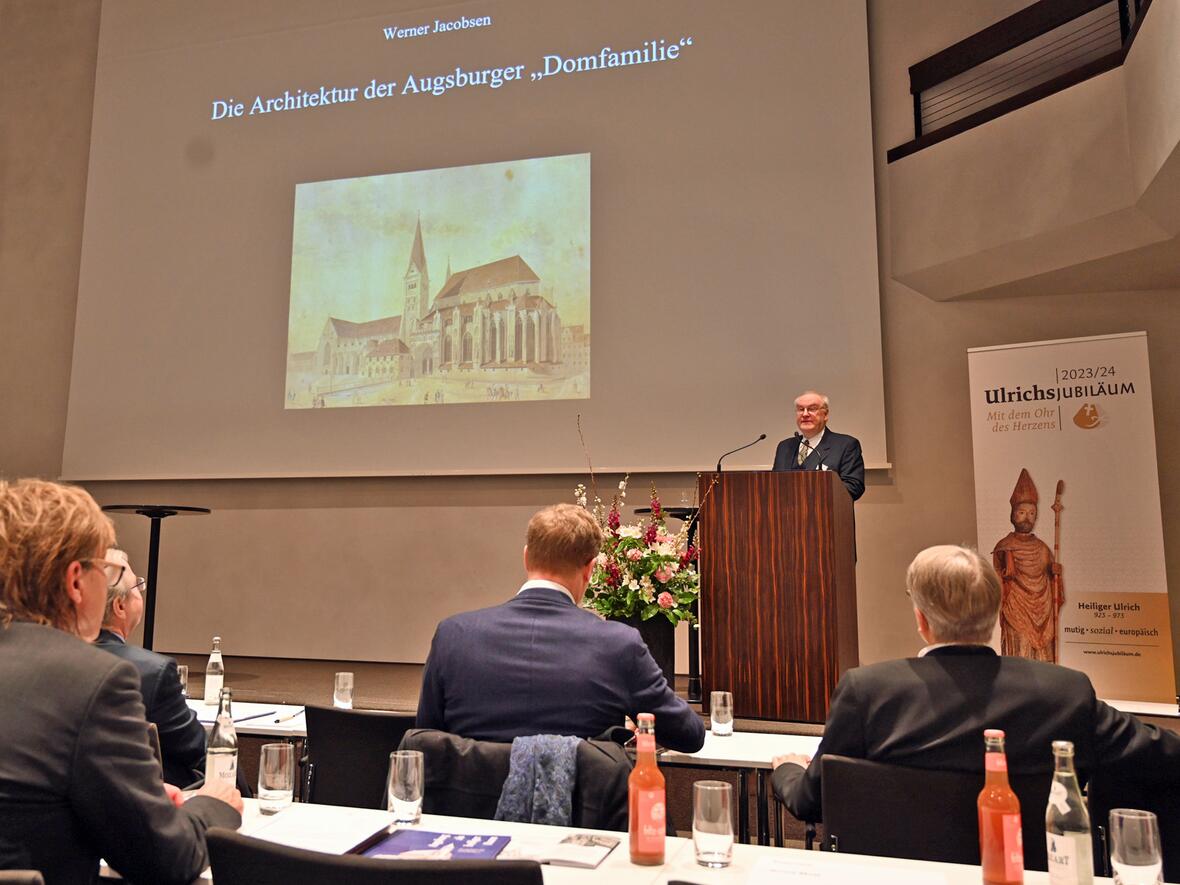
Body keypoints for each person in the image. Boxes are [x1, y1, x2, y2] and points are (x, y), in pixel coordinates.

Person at [770, 544, 1180, 823]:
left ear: (922, 620)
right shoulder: (1066, 693)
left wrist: (787, 768)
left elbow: (812, 802)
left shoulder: (867, 691)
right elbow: (1163, 755)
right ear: (997, 611)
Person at [0, 479, 241, 884]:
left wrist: (135, 799)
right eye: (104, 569)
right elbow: (165, 862)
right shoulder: (94, 682)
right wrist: (214, 807)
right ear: (77, 580)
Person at [415, 503, 705, 753]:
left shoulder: (453, 635)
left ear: (526, 556)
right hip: (576, 814)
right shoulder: (618, 644)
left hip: (468, 814)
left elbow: (426, 738)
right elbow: (689, 735)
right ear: (590, 569)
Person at [93, 548, 207, 787]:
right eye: (137, 587)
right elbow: (196, 747)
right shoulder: (152, 671)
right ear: (119, 607)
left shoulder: (50, 661)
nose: (141, 593)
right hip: (151, 802)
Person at [992, 468, 1064, 662]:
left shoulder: (1042, 549)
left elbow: (1053, 584)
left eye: (1032, 513)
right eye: (1022, 512)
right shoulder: (1004, 547)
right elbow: (997, 579)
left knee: (1043, 657)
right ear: (1013, 514)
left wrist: (1055, 574)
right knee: (1019, 652)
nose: (1027, 517)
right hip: (1016, 610)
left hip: (1043, 611)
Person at [772, 390, 865, 501]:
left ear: (825, 414)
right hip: (785, 515)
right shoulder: (784, 447)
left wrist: (813, 491)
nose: (805, 414)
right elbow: (773, 485)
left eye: (812, 409)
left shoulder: (846, 445)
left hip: (827, 516)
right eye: (801, 409)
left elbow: (854, 487)